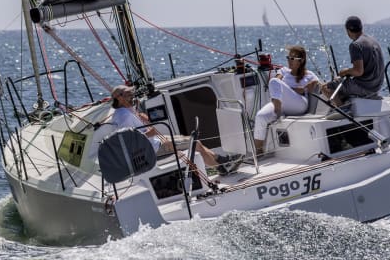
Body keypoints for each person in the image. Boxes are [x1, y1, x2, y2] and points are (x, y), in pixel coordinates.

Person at [109, 84, 237, 174]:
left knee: (189, 138)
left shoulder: (125, 111)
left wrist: (144, 119)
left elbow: (140, 127)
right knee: (195, 143)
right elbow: (129, 141)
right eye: (129, 94)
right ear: (119, 98)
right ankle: (222, 168)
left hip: (155, 142)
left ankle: (221, 159)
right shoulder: (124, 117)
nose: (132, 96)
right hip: (153, 148)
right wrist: (149, 133)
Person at [253, 45, 321, 154]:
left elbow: (317, 86)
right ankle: (259, 151)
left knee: (274, 82)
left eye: (292, 58)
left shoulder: (309, 75)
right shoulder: (283, 71)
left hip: (299, 104)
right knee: (261, 116)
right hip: (281, 104)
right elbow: (276, 82)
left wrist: (306, 86)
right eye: (288, 58)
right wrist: (295, 89)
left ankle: (277, 112)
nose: (289, 60)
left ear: (301, 61)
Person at [322, 16, 385, 103]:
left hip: (365, 88)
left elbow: (358, 71)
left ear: (348, 30)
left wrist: (345, 72)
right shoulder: (373, 41)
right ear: (361, 27)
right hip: (377, 87)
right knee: (342, 85)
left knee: (326, 87)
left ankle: (342, 109)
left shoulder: (355, 45)